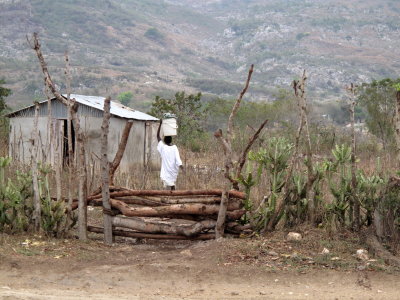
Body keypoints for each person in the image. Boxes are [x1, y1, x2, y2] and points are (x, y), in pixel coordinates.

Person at [157, 120, 183, 190]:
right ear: (171, 140)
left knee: (165, 183)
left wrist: (160, 124)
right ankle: (173, 195)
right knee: (172, 183)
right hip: (172, 170)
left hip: (166, 170)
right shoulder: (174, 148)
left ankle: (165, 195)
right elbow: (178, 159)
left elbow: (158, 136)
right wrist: (181, 167)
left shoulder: (163, 147)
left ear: (164, 141)